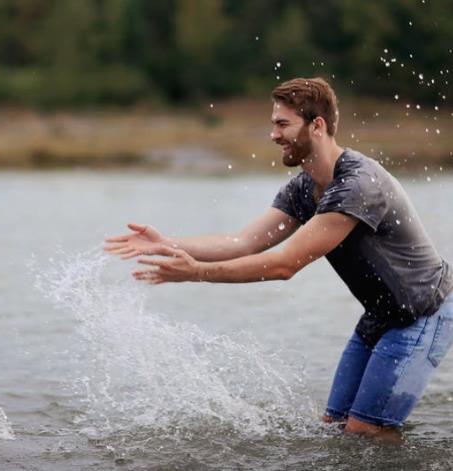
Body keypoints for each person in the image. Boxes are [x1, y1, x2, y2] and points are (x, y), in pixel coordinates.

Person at [105, 77, 453, 440]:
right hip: (382, 314)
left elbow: (285, 265)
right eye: (274, 124)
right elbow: (244, 242)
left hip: (423, 313)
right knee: (335, 429)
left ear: (317, 126)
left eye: (282, 124)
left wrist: (195, 273)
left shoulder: (357, 186)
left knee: (366, 430)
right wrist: (170, 244)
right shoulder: (304, 187)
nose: (273, 135)